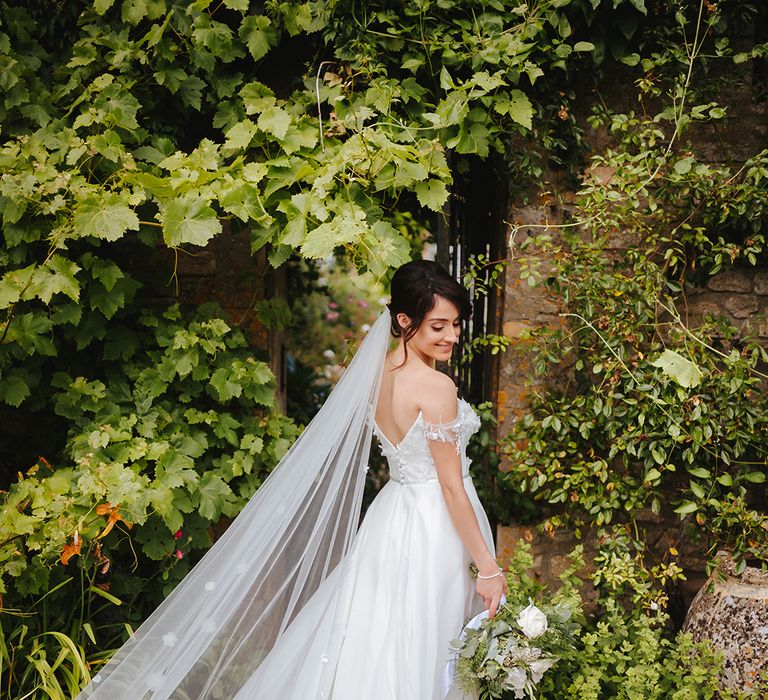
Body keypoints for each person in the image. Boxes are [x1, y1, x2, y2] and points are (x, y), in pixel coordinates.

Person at [76, 259, 506, 700]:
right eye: (438, 326)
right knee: (434, 640)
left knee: (376, 636)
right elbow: (451, 486)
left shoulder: (374, 376)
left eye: (455, 324)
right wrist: (488, 568)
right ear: (404, 321)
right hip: (436, 526)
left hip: (391, 520)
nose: (452, 336)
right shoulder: (436, 388)